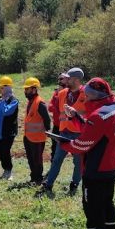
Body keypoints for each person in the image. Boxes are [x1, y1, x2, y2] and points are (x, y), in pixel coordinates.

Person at [59, 78, 115, 229]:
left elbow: (82, 144)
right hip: (111, 165)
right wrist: (78, 118)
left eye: (87, 96)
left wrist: (63, 142)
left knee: (92, 206)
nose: (85, 99)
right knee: (107, 202)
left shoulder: (97, 116)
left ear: (95, 96)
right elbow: (96, 132)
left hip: (96, 168)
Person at [36, 67, 86, 198]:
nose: (65, 80)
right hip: (64, 132)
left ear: (76, 79)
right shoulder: (62, 93)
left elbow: (90, 114)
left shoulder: (87, 93)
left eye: (68, 78)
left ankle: (74, 184)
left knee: (78, 162)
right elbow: (56, 110)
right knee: (57, 159)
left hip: (79, 134)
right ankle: (48, 184)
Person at [22, 77, 51, 185]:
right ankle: (33, 177)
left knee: (37, 160)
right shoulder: (31, 101)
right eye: (25, 89)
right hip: (28, 137)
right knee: (31, 159)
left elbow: (47, 120)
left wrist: (46, 131)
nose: (25, 91)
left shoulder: (40, 103)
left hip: (38, 138)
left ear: (34, 89)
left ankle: (38, 178)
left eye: (27, 89)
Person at [0, 76, 20, 181]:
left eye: (1, 88)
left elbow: (6, 112)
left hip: (8, 132)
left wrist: (4, 100)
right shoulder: (0, 100)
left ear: (7, 88)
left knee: (5, 151)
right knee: (0, 151)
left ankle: (9, 171)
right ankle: (5, 169)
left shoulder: (14, 100)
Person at [47, 73, 69, 159]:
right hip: (57, 125)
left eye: (61, 79)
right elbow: (50, 107)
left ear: (67, 79)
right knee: (54, 147)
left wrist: (59, 109)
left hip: (68, 126)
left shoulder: (70, 93)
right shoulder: (56, 92)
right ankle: (53, 167)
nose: (59, 81)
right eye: (59, 79)